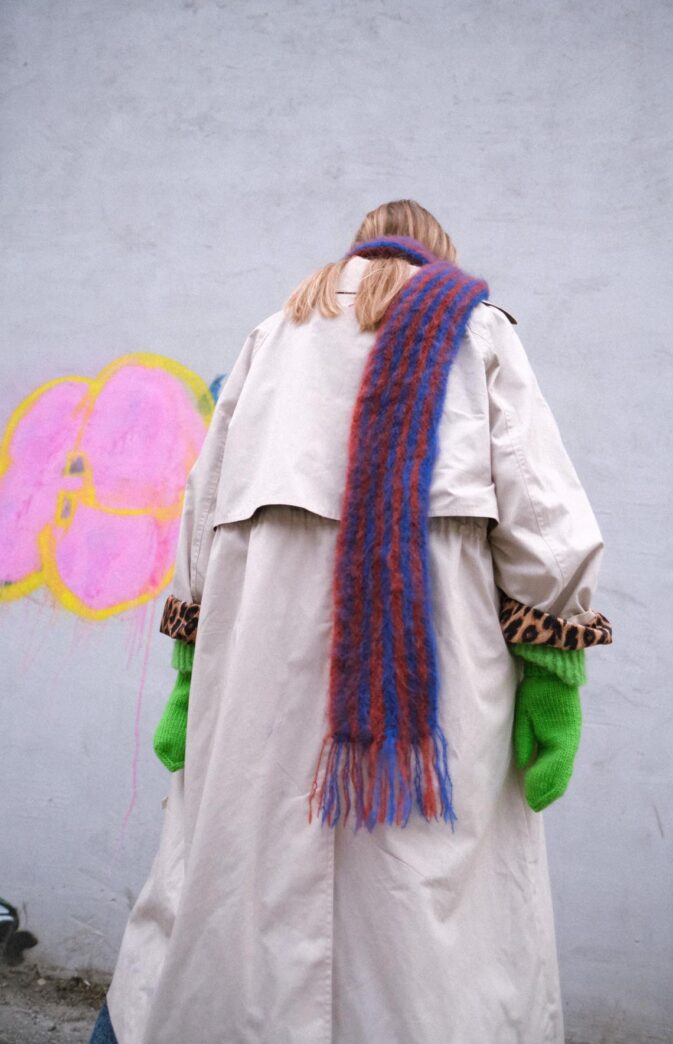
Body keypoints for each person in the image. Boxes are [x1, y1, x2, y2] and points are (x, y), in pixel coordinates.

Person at [90, 200, 612, 1044]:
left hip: (257, 669)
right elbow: (543, 520)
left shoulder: (275, 334)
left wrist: (191, 674)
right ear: (438, 254)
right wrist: (555, 678)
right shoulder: (476, 332)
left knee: (234, 887)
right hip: (440, 686)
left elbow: (202, 507)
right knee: (430, 917)